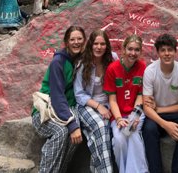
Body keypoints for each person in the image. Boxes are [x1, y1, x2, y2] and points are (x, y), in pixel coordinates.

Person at [32, 26, 86, 173]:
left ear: (85, 40)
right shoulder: (58, 62)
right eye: (72, 39)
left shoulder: (79, 60)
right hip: (46, 113)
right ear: (66, 42)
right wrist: (72, 124)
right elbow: (57, 96)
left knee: (75, 131)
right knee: (62, 132)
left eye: (79, 39)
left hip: (65, 110)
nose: (76, 42)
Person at [142, 34, 178, 173]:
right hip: (155, 114)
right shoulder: (150, 71)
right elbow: (147, 107)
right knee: (149, 130)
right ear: (158, 52)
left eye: (170, 50)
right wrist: (165, 125)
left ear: (175, 51)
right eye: (163, 50)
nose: (167, 54)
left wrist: (159, 109)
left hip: (175, 112)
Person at [74, 29, 119, 173]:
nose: (99, 47)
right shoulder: (82, 63)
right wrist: (98, 106)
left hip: (108, 104)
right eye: (95, 44)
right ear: (90, 45)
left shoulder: (113, 59)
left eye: (102, 44)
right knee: (100, 126)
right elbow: (79, 94)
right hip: (87, 105)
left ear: (107, 46)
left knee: (99, 133)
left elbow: (119, 82)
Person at [103, 35, 148, 173]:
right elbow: (112, 100)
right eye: (130, 49)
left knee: (133, 135)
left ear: (140, 51)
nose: (133, 53)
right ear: (123, 49)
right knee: (119, 140)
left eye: (136, 50)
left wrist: (135, 117)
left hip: (136, 112)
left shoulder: (142, 67)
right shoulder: (113, 69)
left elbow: (140, 95)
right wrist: (118, 119)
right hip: (118, 114)